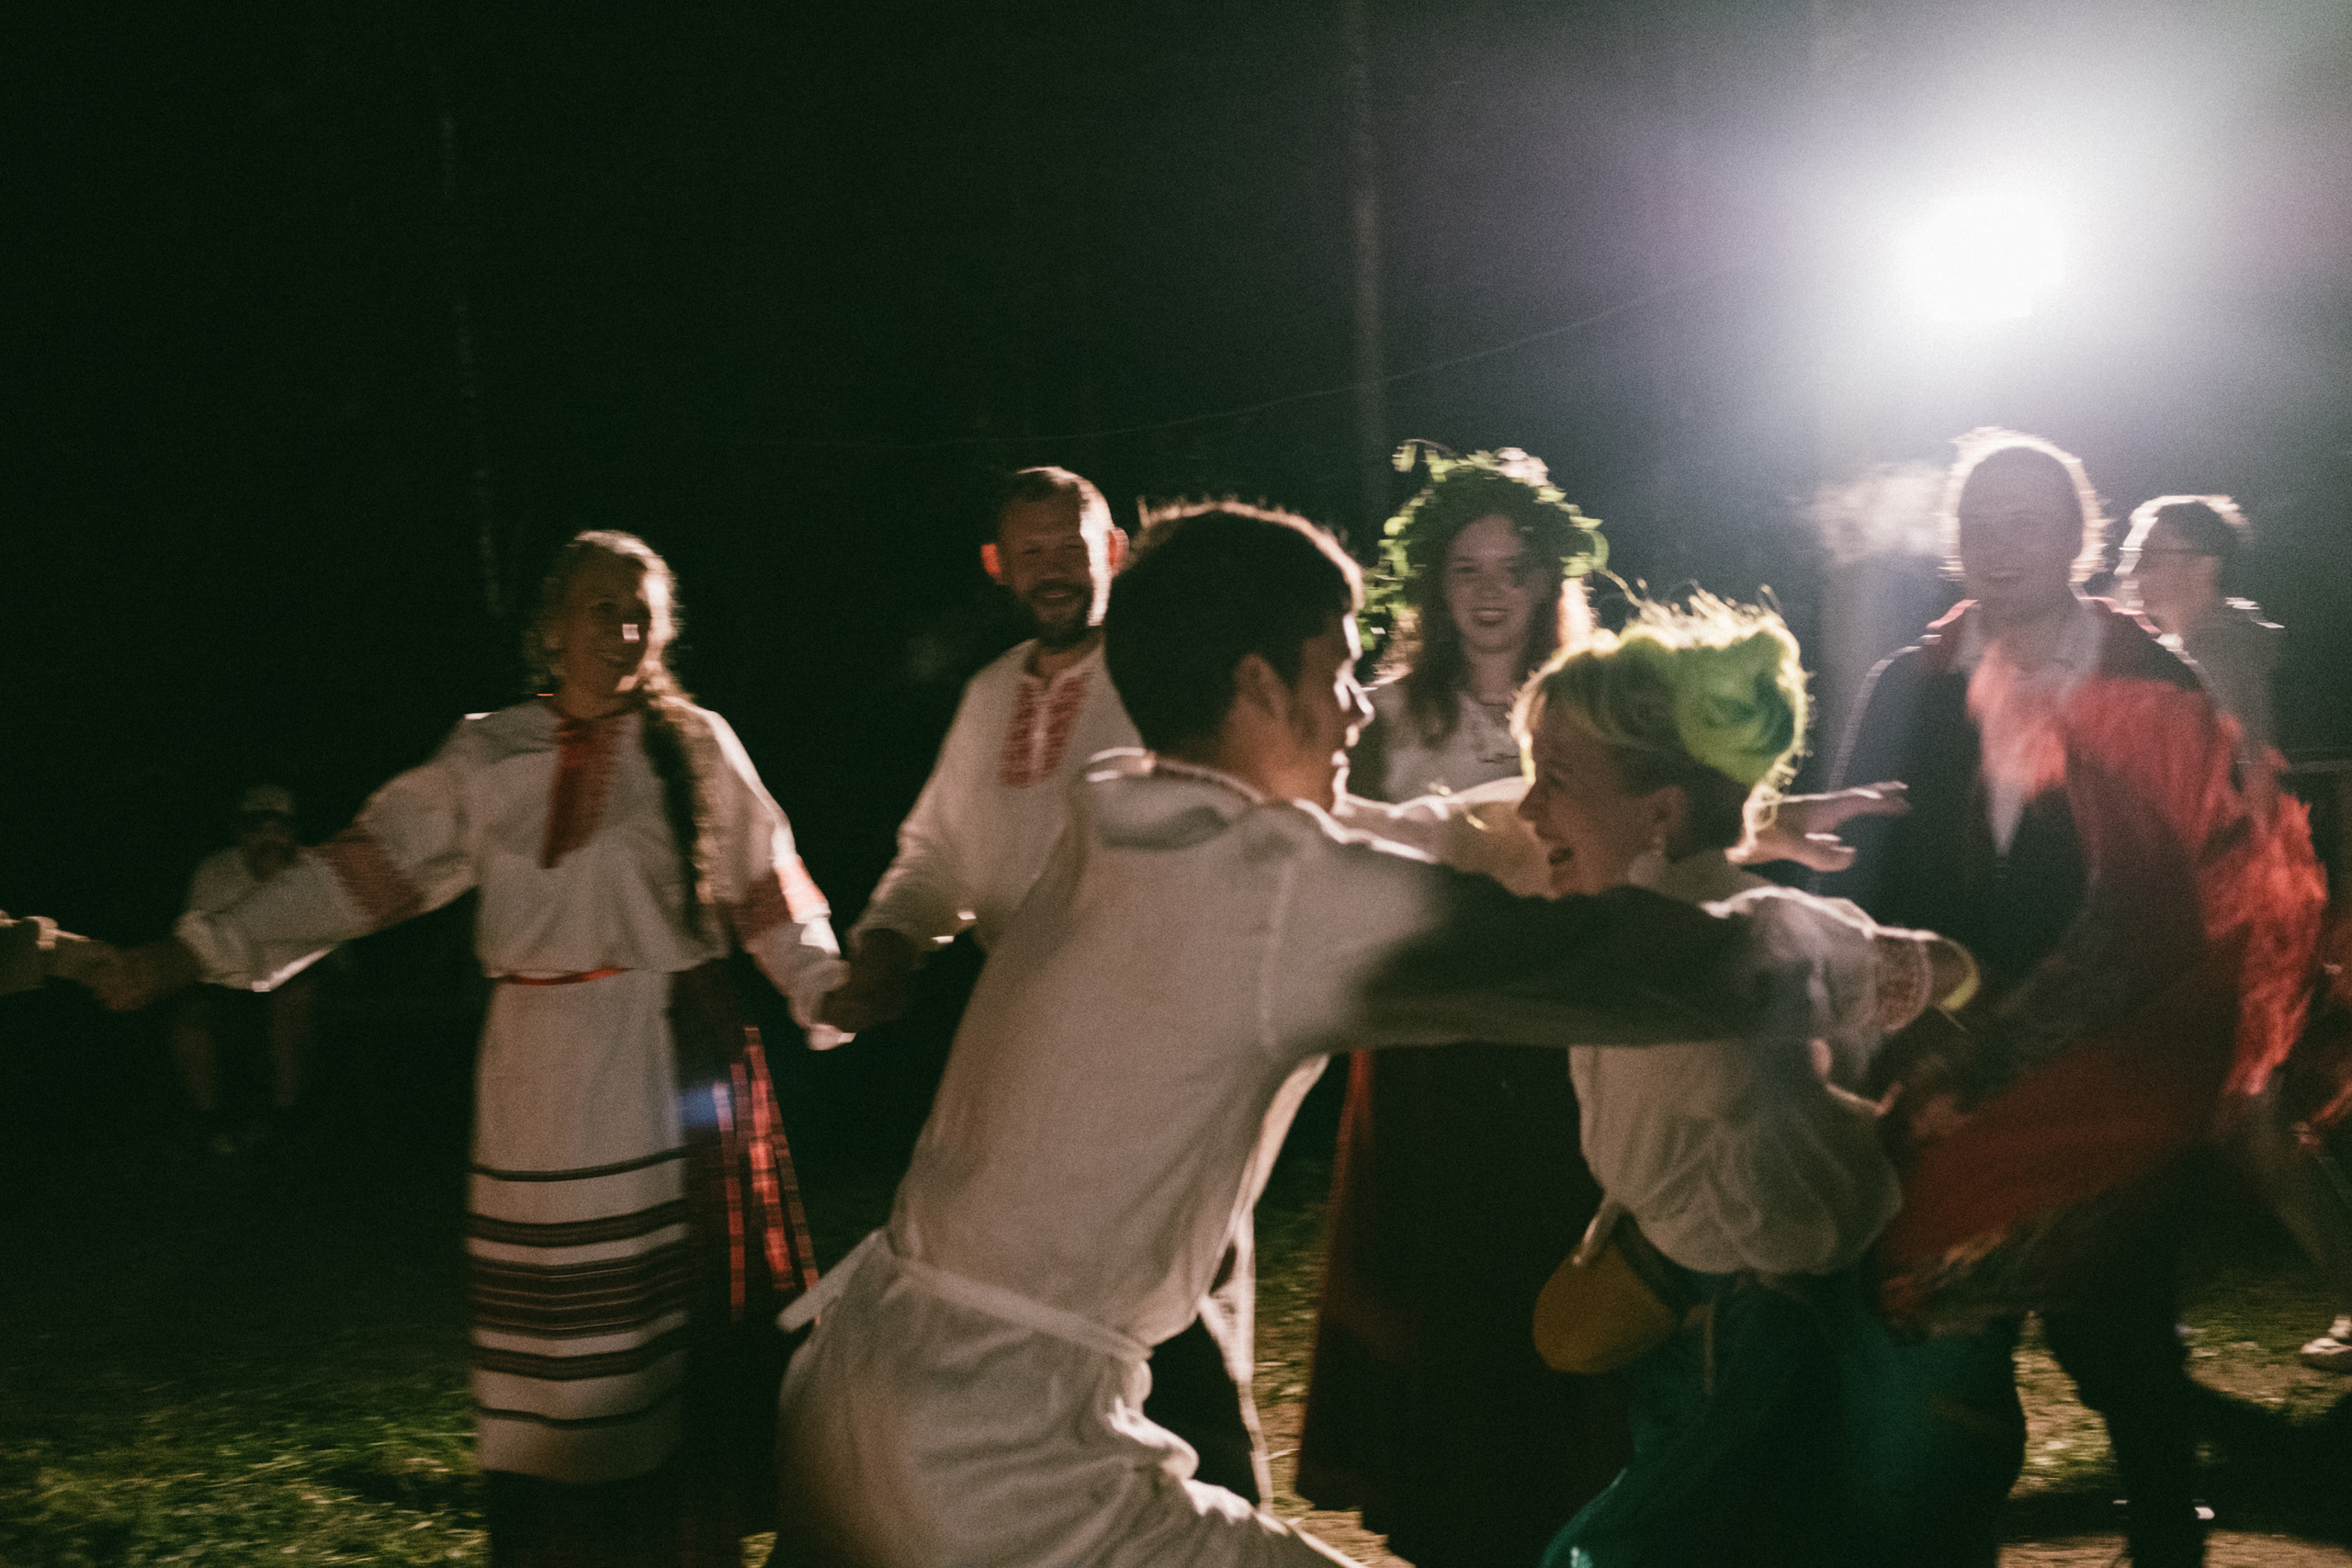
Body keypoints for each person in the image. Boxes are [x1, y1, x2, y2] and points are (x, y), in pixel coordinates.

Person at [771, 502, 1835, 1566]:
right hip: (991, 1448)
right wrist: (1861, 961)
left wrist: (1688, 813)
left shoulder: (1124, 809)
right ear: (1255, 685)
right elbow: (1607, 969)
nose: (1356, 712)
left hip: (855, 1376)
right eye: (1336, 670)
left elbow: (1422, 839)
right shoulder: (1264, 888)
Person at [97, 531, 850, 1567]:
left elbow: (769, 887)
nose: (623, 629)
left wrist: (828, 983)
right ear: (548, 628)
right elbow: (361, 873)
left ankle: (679, 1541)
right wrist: (194, 953)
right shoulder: (487, 752)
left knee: (664, 1343)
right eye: (599, 608)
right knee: (551, 1354)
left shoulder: (699, 745)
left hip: (660, 1057)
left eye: (641, 611)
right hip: (531, 1071)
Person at [1826, 431, 2325, 1568]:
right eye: (1981, 523)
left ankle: (2162, 1527)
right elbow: (1857, 866)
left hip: (2109, 1059)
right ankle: (1954, 1536)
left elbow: (2220, 865)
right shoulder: (1911, 686)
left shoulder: (2146, 682)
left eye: (2030, 521)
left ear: (2078, 539)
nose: (2003, 546)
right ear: (1955, 543)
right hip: (1946, 1056)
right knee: (1953, 1325)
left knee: (2118, 1325)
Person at [815, 465, 1264, 1496]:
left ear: (1113, 551)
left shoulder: (1167, 669)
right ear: (997, 568)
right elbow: (937, 858)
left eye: (1071, 548)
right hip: (1030, 1045)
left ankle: (1230, 1515)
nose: (1052, 571)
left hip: (1163, 1034)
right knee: (1053, 1307)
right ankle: (1093, 1520)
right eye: (1031, 556)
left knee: (1179, 1293)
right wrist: (886, 942)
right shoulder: (988, 696)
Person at [1509, 593, 1966, 1567]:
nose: (1525, 808)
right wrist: (1953, 986)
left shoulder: (1718, 945)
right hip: (1712, 1333)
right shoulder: (1745, 924)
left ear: (1662, 809)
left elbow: (1924, 965)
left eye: (1552, 779)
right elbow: (1933, 962)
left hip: (1754, 1348)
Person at [1298, 445, 1626, 1562]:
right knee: (1445, 1288)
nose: (1489, 591)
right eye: (1466, 568)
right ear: (1435, 586)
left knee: (1562, 1276)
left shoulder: (1595, 704)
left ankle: (1564, 1514)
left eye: (1513, 569)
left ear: (1547, 584)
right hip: (1433, 1051)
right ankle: (1453, 1520)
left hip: (1566, 1048)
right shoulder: (1383, 716)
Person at [168, 784, 325, 1155]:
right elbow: (197, 944)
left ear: (294, 831)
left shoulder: (315, 868)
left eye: (279, 828)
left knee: (293, 1000)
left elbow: (323, 945)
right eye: (257, 828)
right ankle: (212, 1124)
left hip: (296, 977)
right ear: (240, 832)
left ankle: (285, 1120)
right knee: (188, 1021)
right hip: (228, 983)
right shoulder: (215, 871)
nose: (269, 838)